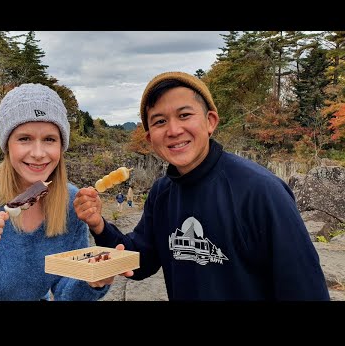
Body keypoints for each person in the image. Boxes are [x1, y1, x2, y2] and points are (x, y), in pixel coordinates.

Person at [73, 71, 330, 301]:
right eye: (160, 121)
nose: (173, 130)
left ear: (210, 121)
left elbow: (305, 288)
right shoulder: (162, 193)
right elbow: (141, 262)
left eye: (184, 115)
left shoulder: (261, 191)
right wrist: (98, 224)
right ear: (150, 137)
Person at [0, 83, 123, 301]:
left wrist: (91, 281)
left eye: (49, 139)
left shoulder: (70, 202)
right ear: (7, 144)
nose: (38, 153)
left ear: (61, 146)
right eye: (24, 138)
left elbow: (67, 289)